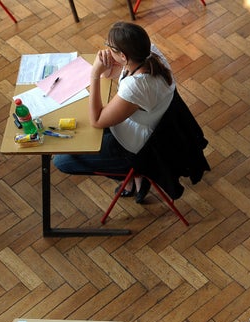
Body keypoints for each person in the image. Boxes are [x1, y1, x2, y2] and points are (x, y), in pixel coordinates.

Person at [53, 21, 176, 203]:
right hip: (145, 126)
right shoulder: (150, 54)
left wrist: (94, 73)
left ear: (124, 57)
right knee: (82, 131)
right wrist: (107, 66)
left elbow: (97, 120)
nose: (107, 49)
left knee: (61, 162)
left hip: (135, 147)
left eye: (110, 47)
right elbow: (112, 74)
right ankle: (133, 178)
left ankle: (130, 174)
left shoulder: (137, 86)